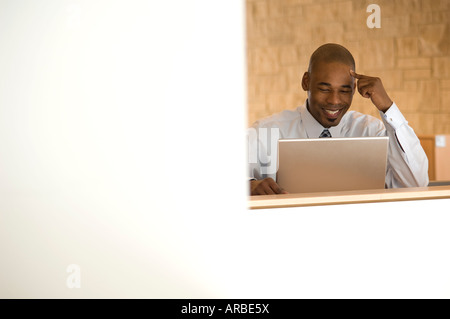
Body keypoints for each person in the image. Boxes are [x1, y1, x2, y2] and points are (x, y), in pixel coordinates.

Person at [248, 43, 429, 195]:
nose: (334, 101)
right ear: (306, 82)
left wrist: (388, 108)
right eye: (325, 89)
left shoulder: (371, 132)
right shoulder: (265, 132)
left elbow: (416, 183)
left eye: (344, 90)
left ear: (354, 88)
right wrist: (249, 187)